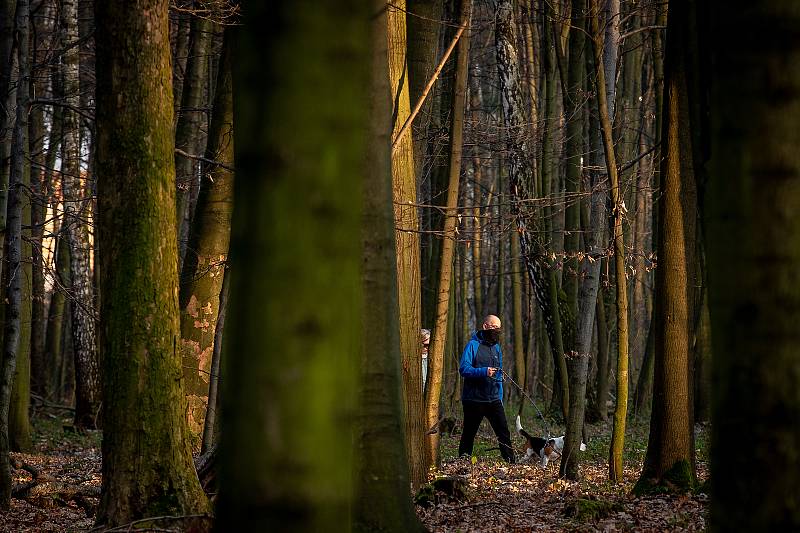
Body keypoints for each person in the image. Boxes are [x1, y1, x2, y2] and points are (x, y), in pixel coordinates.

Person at [457, 314, 515, 463]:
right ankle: (463, 461)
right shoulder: (472, 345)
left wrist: (499, 386)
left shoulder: (496, 348)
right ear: (485, 326)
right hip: (473, 400)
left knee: (503, 432)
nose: (496, 330)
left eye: (498, 328)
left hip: (493, 399)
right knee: (469, 433)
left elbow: (499, 370)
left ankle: (511, 462)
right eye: (494, 327)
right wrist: (483, 371)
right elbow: (463, 369)